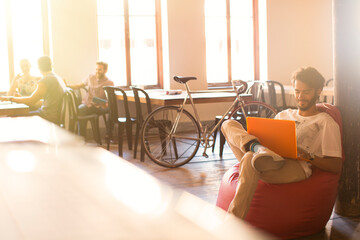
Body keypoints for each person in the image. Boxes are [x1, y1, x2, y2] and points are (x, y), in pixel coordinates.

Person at [221, 66, 342, 219]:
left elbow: (336, 165)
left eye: (306, 92)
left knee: (249, 158)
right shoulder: (283, 115)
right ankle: (257, 148)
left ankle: (232, 221)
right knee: (228, 124)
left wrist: (308, 156)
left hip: (295, 166)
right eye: (297, 91)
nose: (300, 97)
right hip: (267, 160)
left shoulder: (325, 122)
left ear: (318, 91)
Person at [0, 56, 66, 124]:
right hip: (53, 114)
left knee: (13, 117)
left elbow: (31, 101)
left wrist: (10, 98)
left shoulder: (45, 80)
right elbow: (45, 101)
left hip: (47, 116)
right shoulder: (56, 77)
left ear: (39, 67)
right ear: (51, 65)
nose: (25, 68)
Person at [66, 61, 114, 136]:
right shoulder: (90, 77)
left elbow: (110, 99)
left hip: (100, 106)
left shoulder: (109, 82)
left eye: (100, 70)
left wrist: (104, 103)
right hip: (88, 103)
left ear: (105, 70)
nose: (97, 71)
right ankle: (81, 136)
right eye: (96, 69)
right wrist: (67, 85)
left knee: (113, 110)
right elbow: (79, 85)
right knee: (80, 110)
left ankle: (108, 134)